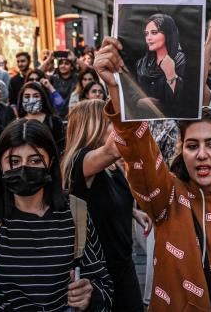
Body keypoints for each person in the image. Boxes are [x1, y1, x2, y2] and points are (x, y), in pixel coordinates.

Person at [93, 36, 211, 311]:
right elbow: (137, 147)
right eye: (192, 145)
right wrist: (115, 87)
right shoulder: (166, 197)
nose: (201, 153)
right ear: (182, 152)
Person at [0, 118, 113, 310]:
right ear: (0, 166)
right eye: (14, 161)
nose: (24, 169)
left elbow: (104, 285)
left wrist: (90, 296)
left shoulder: (75, 213)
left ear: (50, 162)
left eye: (35, 160)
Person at [62, 99, 150, 311]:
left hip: (124, 264)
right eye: (107, 121)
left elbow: (105, 199)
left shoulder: (110, 169)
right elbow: (114, 148)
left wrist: (132, 212)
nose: (113, 126)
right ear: (91, 126)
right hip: (100, 273)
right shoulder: (78, 162)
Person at [129, 13, 186, 117]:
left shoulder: (180, 60)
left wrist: (171, 75)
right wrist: (140, 102)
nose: (148, 38)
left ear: (168, 34)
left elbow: (184, 101)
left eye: (154, 32)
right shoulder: (142, 63)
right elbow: (132, 92)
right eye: (146, 34)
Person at [17, 82, 65, 155]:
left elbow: (61, 147)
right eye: (27, 96)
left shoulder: (54, 121)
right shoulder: (17, 123)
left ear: (42, 98)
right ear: (21, 99)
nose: (31, 100)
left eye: (36, 96)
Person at [50, 53, 78, 120]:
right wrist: (49, 59)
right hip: (57, 116)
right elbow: (38, 72)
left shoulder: (76, 78)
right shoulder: (54, 78)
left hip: (73, 115)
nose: (63, 66)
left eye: (66, 63)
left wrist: (75, 59)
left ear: (71, 67)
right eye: (61, 63)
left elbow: (89, 71)